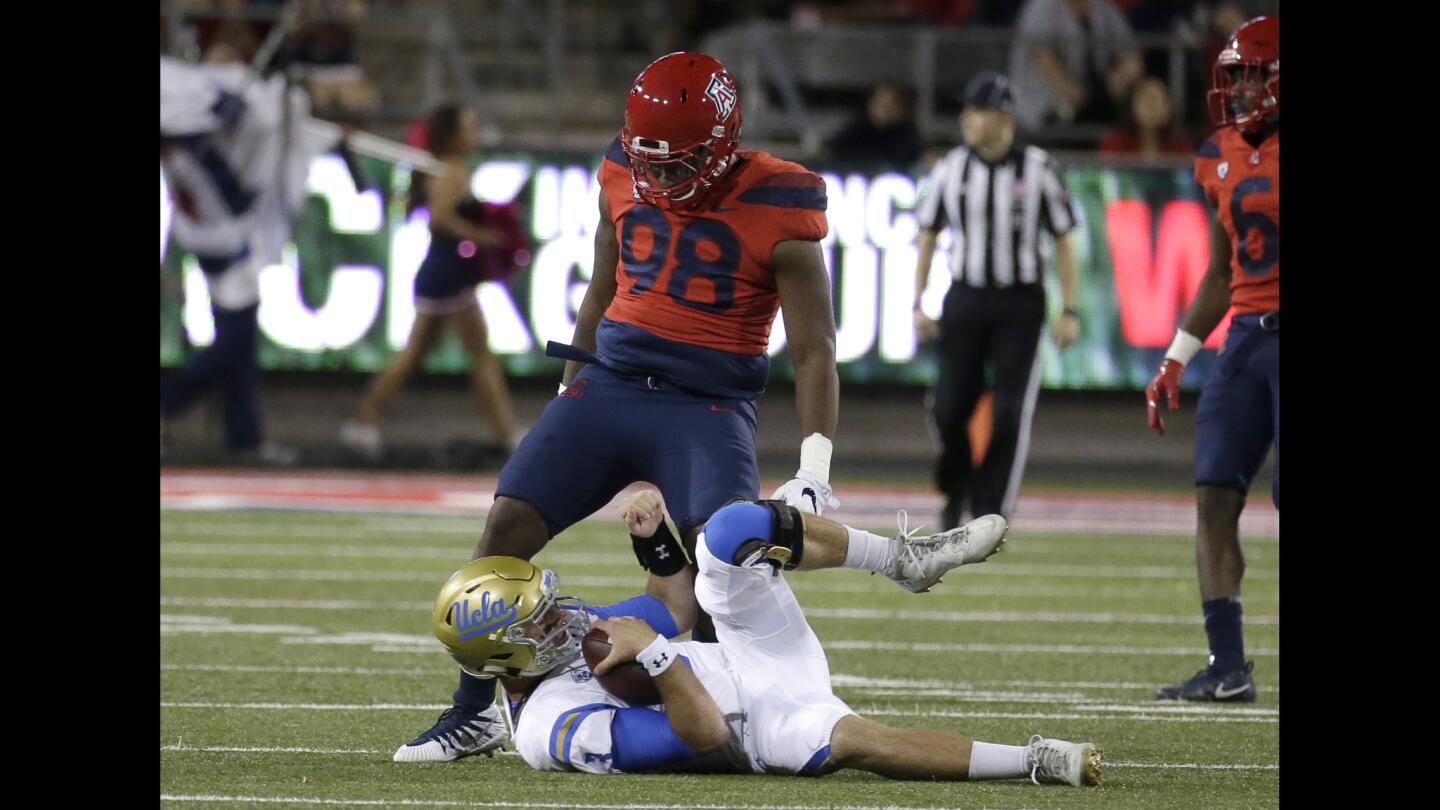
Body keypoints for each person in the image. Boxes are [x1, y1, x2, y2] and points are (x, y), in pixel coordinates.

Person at [392, 51, 844, 763]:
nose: (659, 179)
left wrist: (815, 466)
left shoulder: (781, 202)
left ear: (723, 147)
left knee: (727, 568)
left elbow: (814, 348)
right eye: (648, 162)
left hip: (708, 405)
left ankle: (748, 719)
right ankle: (473, 711)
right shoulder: (619, 170)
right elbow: (601, 288)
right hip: (611, 386)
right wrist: (570, 389)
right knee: (502, 531)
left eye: (676, 164)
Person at [430, 489, 1102, 785]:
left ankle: (904, 558)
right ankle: (1033, 760)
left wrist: (656, 546)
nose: (563, 617)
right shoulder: (553, 729)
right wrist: (660, 658)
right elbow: (708, 740)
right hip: (753, 724)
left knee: (725, 535)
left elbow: (673, 605)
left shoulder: (570, 640)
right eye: (541, 621)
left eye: (549, 603)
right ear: (505, 655)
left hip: (748, 652)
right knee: (853, 741)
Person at [1144, 16, 1277, 703]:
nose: (1242, 88)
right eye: (1237, 76)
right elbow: (1221, 273)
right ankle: (1228, 668)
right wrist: (1175, 358)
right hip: (1246, 340)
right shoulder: (1219, 154)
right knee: (1213, 496)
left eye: (1253, 74)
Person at [912, 72, 1081, 530]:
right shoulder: (951, 169)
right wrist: (918, 301)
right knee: (949, 409)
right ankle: (956, 486)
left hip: (1020, 303)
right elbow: (927, 235)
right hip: (965, 297)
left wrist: (1069, 309)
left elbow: (1065, 240)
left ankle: (989, 510)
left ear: (1004, 116)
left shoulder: (1040, 169)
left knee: (1009, 413)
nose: (966, 119)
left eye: (976, 110)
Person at [159, 45, 337, 465]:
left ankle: (244, 436)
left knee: (239, 343)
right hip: (221, 231)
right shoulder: (185, 137)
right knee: (236, 339)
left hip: (218, 230)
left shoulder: (192, 118)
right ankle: (174, 405)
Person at [339, 103, 520, 462]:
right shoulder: (452, 172)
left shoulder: (439, 170)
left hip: (443, 274)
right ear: (452, 135)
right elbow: (438, 218)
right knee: (479, 356)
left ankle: (363, 422)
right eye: (469, 126)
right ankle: (508, 435)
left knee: (419, 354)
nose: (476, 134)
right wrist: (480, 235)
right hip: (446, 274)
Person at [1007, 0, 1144, 131]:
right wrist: (1067, 88)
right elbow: (1041, 55)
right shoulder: (1043, 5)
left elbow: (1128, 48)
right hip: (1046, 98)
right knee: (1069, 111)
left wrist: (1123, 75)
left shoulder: (1102, 6)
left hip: (1093, 94)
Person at [825, 83, 922, 171]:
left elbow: (903, 159)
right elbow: (836, 150)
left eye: (889, 105)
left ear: (901, 109)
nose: (882, 109)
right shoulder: (859, 127)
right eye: (878, 102)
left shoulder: (907, 135)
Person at [1098, 76, 1194, 157]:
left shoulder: (1180, 146)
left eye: (1157, 100)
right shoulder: (1114, 144)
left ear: (1169, 109)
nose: (1151, 107)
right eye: (1146, 100)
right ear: (1131, 107)